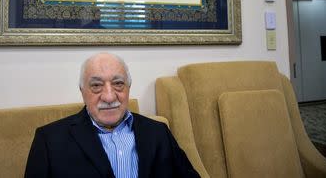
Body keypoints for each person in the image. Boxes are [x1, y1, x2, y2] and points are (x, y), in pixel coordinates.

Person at [24, 52, 199, 178]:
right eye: (96, 85)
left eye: (118, 83)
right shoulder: (49, 140)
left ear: (128, 88)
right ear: (82, 91)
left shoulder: (158, 132)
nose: (109, 96)